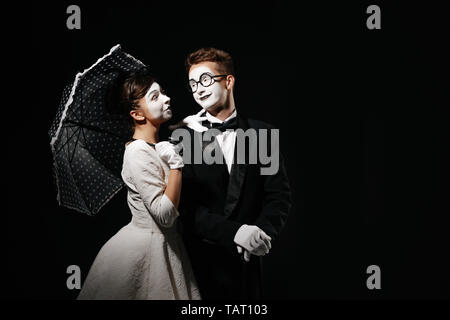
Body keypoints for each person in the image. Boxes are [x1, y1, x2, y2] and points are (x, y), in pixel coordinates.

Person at [170, 48, 292, 299]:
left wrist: (259, 234)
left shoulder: (263, 135)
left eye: (205, 80)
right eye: (193, 84)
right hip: (198, 264)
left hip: (247, 268)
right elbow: (184, 207)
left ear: (228, 81)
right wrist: (235, 233)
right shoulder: (183, 137)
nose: (198, 89)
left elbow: (278, 196)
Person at [77, 73, 201, 300]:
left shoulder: (153, 147)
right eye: (155, 97)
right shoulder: (137, 152)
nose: (167, 98)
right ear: (136, 114)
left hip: (167, 245)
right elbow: (165, 216)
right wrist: (176, 166)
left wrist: (184, 128)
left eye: (163, 92)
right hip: (145, 251)